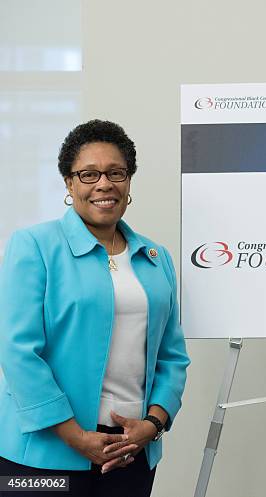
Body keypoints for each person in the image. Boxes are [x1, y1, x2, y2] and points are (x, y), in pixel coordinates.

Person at [0, 120, 190, 497]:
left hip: (131, 451)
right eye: (88, 174)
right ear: (69, 184)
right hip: (43, 454)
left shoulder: (155, 258)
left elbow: (172, 357)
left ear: (129, 181)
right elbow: (18, 352)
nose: (104, 184)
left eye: (116, 173)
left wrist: (152, 424)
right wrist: (75, 436)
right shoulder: (34, 247)